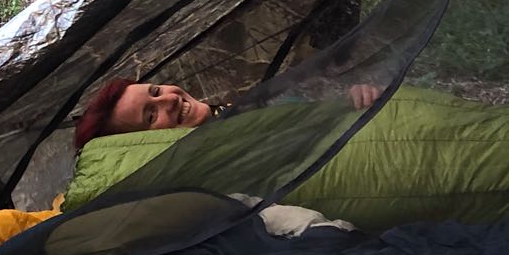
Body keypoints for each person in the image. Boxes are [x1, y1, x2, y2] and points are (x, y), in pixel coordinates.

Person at [73, 76, 380, 151]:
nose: (170, 99)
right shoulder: (222, 164)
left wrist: (352, 98)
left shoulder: (242, 108)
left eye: (155, 90)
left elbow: (315, 114)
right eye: (151, 116)